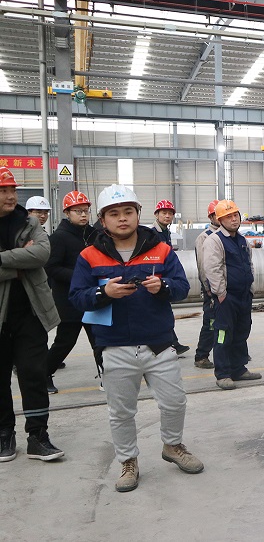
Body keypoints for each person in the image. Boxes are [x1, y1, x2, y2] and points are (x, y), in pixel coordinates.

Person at [69, 184, 201, 492]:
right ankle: (128, 461)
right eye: (114, 213)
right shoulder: (89, 256)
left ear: (138, 214)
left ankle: (172, 446)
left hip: (158, 343)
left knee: (174, 402)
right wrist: (104, 292)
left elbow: (182, 288)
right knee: (121, 412)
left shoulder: (161, 250)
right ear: (103, 219)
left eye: (128, 211)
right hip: (114, 345)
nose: (122, 218)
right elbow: (76, 297)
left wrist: (163, 287)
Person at [0, 167, 64, 463]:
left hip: (31, 313)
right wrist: (17, 265)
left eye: (12, 190)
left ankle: (38, 436)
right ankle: (5, 434)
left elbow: (41, 254)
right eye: (3, 191)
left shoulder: (29, 221)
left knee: (33, 374)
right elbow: (29, 258)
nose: (10, 196)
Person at [202, 199, 262, 390]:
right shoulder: (215, 240)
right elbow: (212, 269)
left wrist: (251, 289)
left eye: (235, 215)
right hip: (226, 298)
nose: (234, 219)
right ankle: (223, 373)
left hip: (244, 296)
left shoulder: (242, 240)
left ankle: (238, 369)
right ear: (220, 220)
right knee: (223, 334)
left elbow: (249, 264)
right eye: (228, 216)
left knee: (241, 332)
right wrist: (221, 294)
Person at [45, 191, 99, 394]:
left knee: (99, 340)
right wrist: (79, 276)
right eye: (78, 211)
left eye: (86, 210)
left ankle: (107, 375)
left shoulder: (94, 235)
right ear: (67, 213)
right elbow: (51, 268)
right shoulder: (59, 238)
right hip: (69, 300)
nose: (83, 215)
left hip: (92, 297)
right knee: (65, 341)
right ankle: (43, 375)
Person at [151, 199, 190, 355]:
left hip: (164, 279)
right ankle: (170, 344)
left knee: (163, 312)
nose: (167, 216)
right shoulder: (153, 234)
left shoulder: (165, 232)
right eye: (164, 213)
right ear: (156, 214)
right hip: (156, 279)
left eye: (170, 213)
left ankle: (172, 343)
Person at [192, 199, 220, 370]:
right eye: (217, 214)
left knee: (229, 322)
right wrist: (208, 289)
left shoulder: (229, 235)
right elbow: (203, 266)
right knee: (210, 323)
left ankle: (232, 353)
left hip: (226, 287)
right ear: (211, 217)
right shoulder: (204, 237)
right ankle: (201, 356)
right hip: (211, 288)